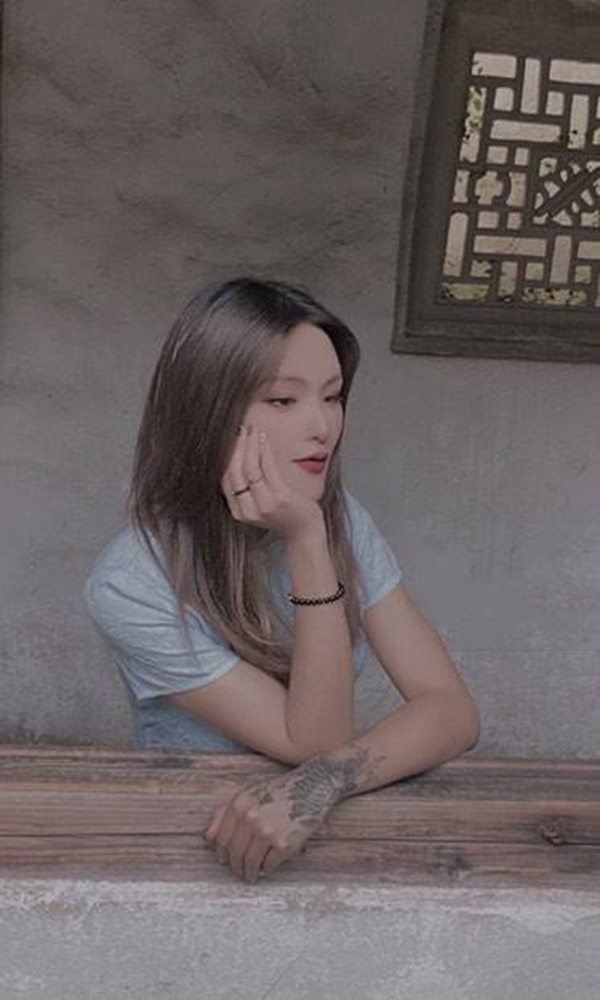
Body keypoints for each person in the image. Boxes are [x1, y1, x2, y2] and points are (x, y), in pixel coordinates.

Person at [84, 276, 479, 883]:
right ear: (207, 412)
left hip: (321, 839)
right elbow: (313, 739)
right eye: (282, 400)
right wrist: (307, 543)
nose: (322, 426)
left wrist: (329, 780)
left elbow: (451, 710)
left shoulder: (342, 522)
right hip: (199, 847)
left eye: (333, 396)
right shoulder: (132, 582)